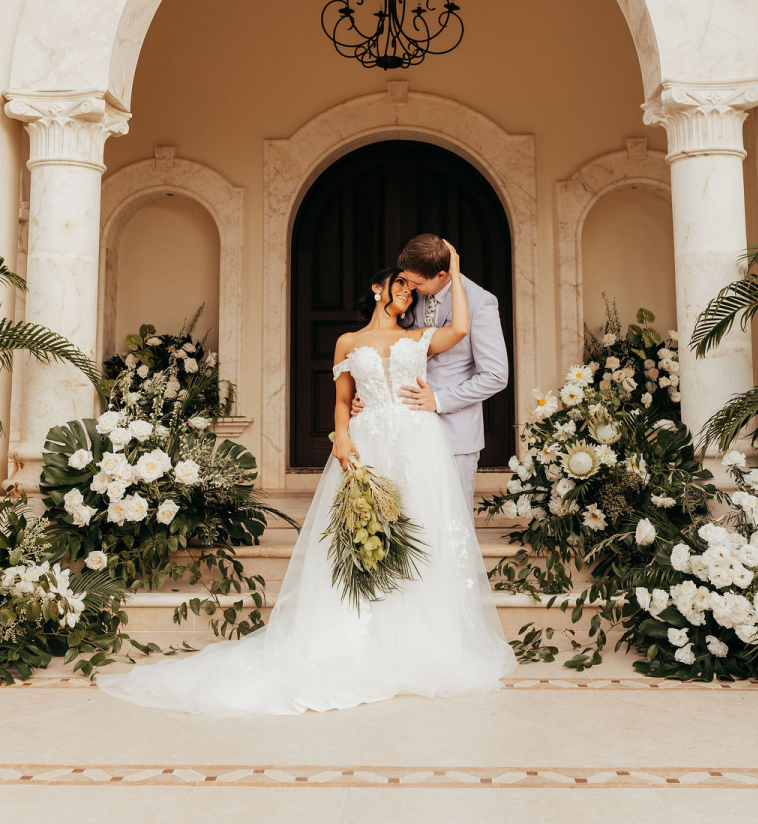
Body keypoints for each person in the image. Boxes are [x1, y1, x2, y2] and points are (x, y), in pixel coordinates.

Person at [96, 242, 515, 718]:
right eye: (399, 282)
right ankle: (362, 633)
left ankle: (430, 637)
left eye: (412, 283)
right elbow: (344, 397)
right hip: (372, 437)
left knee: (430, 537)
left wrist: (457, 271)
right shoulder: (355, 338)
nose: (408, 290)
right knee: (366, 533)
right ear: (380, 287)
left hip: (426, 438)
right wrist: (343, 434)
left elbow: (470, 344)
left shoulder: (430, 324)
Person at [352, 233, 509, 516]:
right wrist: (368, 394)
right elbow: (386, 346)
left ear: (441, 275)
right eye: (406, 280)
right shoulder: (410, 296)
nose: (409, 287)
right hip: (404, 432)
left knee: (452, 524)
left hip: (454, 433)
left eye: (417, 283)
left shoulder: (480, 303)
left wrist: (438, 400)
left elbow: (496, 375)